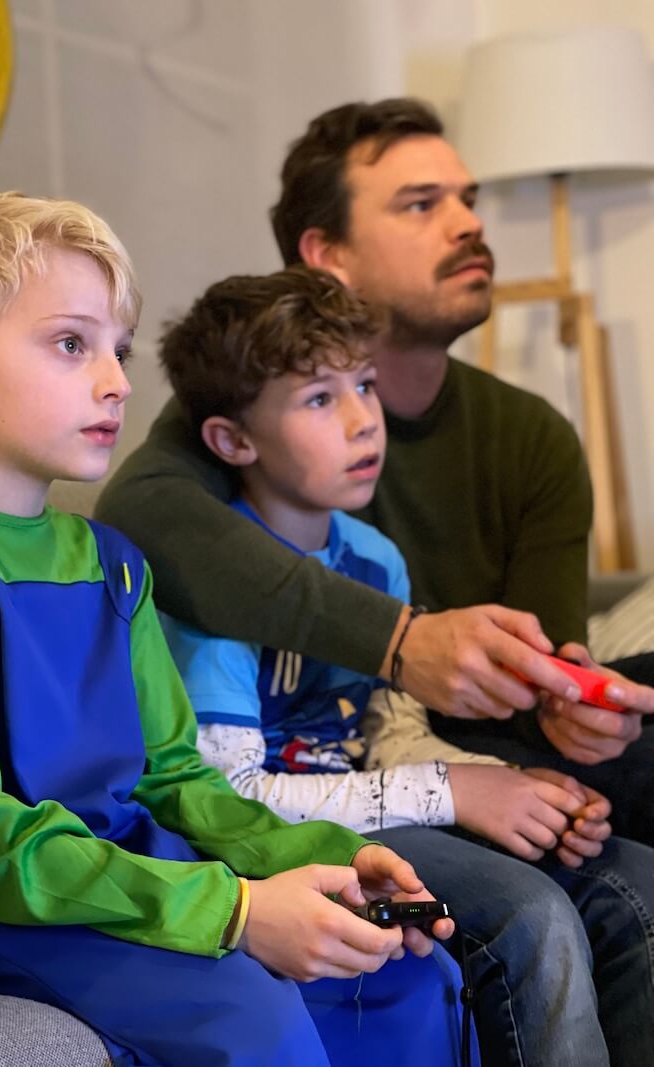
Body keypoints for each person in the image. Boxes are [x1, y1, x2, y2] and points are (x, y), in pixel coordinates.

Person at [0, 192, 470, 1067]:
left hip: (126, 874)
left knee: (404, 978)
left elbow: (177, 780)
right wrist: (236, 910)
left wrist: (339, 857)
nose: (117, 381)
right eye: (72, 344)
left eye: (120, 348)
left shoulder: (115, 563)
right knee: (249, 1015)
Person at [95, 97, 654, 843]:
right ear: (328, 254)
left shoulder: (534, 435)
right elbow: (139, 514)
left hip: (462, 744)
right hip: (330, 767)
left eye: (467, 199)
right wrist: (401, 641)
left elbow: (538, 677)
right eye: (421, 205)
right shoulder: (250, 403)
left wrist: (572, 707)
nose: (468, 223)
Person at [153, 264, 654, 1067]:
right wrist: (454, 790)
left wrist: (514, 789)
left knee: (633, 883)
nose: (364, 421)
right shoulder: (216, 586)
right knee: (533, 915)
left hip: (381, 811)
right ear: (233, 441)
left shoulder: (373, 556)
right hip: (272, 838)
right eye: (320, 399)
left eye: (364, 385)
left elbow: (390, 727)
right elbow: (229, 792)